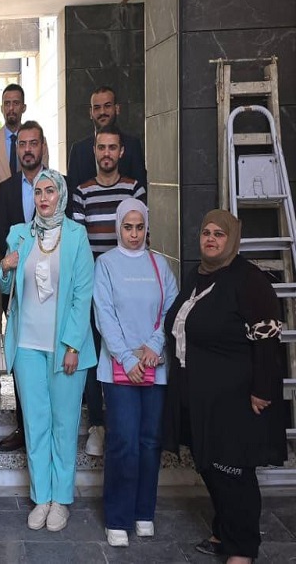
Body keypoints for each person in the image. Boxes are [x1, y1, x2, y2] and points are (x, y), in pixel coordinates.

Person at [163, 210, 286, 563]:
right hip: (199, 393)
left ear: (232, 238)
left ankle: (242, 548)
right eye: (206, 232)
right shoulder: (196, 276)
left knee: (233, 470)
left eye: (219, 233)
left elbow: (267, 339)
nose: (211, 239)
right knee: (210, 465)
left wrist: (263, 389)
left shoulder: (249, 281)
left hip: (235, 397)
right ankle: (223, 531)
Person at [0, 169, 95, 533]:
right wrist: (3, 269)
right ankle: (42, 497)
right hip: (27, 347)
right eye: (38, 191)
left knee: (63, 425)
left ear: (61, 195)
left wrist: (72, 345)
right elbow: (6, 285)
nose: (43, 197)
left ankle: (62, 499)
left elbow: (82, 295)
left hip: (66, 349)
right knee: (35, 424)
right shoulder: (19, 235)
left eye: (50, 191)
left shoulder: (76, 236)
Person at [92, 199, 178, 548]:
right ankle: (118, 517)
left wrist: (153, 347)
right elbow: (104, 315)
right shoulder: (106, 264)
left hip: (154, 367)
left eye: (139, 227)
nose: (133, 234)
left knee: (149, 443)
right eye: (127, 227)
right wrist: (128, 358)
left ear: (146, 227)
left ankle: (144, 512)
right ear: (118, 228)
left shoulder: (160, 264)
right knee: (123, 442)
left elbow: (172, 309)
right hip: (120, 370)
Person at [71, 124, 148, 458]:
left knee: (123, 351)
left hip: (127, 288)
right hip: (91, 287)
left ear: (121, 152)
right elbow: (77, 243)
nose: (106, 154)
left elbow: (143, 240)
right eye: (101, 147)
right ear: (95, 151)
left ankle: (122, 422)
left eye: (112, 148)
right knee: (92, 356)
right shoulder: (81, 191)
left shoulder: (134, 190)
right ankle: (97, 425)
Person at [0, 84, 48, 405]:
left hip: (40, 248)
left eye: (16, 103)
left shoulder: (34, 141)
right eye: (6, 103)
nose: (11, 107)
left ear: (23, 106)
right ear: (1, 106)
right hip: (0, 240)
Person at [0, 120, 49, 452]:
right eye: (22, 144)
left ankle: (44, 427)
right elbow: (1, 233)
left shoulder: (56, 184)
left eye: (33, 143)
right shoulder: (8, 188)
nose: (27, 149)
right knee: (20, 355)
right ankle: (23, 427)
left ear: (42, 146)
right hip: (17, 283)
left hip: (51, 286)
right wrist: (22, 258)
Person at [66, 86, 147, 192]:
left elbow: (141, 190)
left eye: (107, 106)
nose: (102, 112)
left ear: (117, 109)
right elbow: (72, 193)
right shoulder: (78, 150)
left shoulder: (132, 145)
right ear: (90, 113)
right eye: (97, 107)